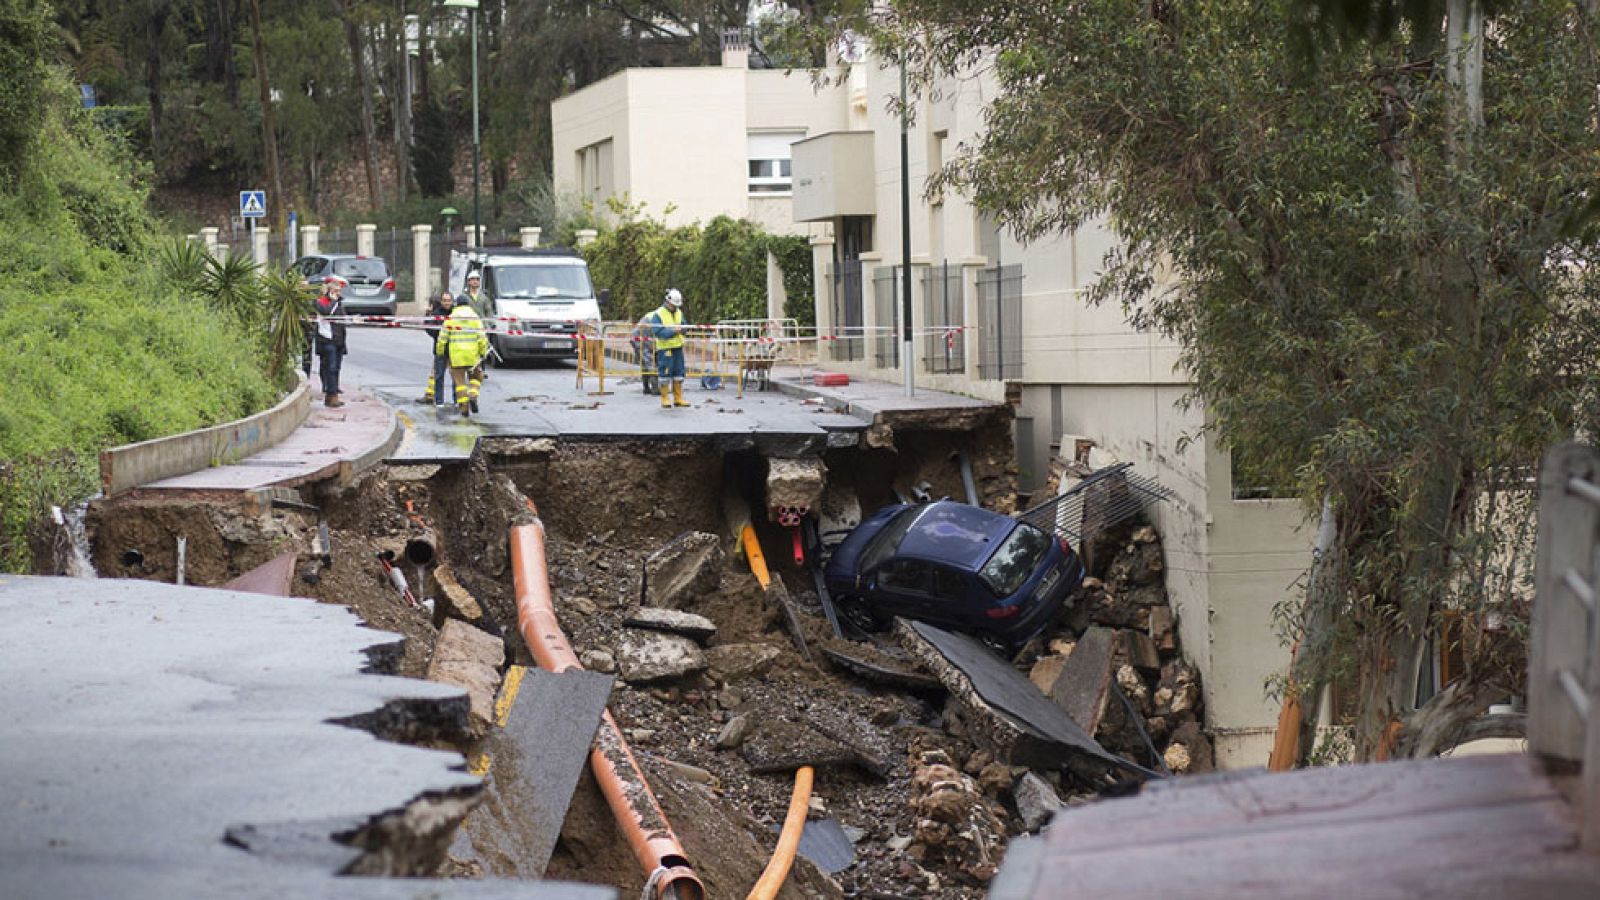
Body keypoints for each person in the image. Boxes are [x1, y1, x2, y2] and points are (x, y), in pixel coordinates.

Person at [435, 292, 489, 416]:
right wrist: (483, 353)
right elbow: (482, 337)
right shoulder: (475, 318)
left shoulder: (451, 318)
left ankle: (464, 409)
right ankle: (473, 395)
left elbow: (442, 338)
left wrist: (440, 352)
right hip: (472, 356)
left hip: (457, 356)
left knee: (460, 384)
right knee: (476, 378)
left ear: (456, 304)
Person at [645, 287, 691, 409]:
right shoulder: (658, 314)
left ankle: (678, 398)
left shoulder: (679, 313)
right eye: (673, 305)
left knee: (679, 373)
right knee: (665, 373)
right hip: (665, 349)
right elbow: (658, 331)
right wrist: (673, 331)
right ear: (668, 302)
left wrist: (683, 329)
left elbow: (686, 326)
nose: (675, 307)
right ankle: (665, 398)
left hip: (677, 347)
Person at [313, 276, 349, 407]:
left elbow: (340, 320)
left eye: (339, 291)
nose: (338, 294)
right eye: (335, 291)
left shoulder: (339, 303)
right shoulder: (320, 302)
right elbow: (327, 314)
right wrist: (334, 302)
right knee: (330, 367)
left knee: (336, 367)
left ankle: (332, 393)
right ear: (328, 291)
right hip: (327, 339)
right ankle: (331, 394)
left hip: (338, 339)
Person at [419, 290, 456, 405]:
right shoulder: (436, 314)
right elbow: (429, 328)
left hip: (455, 350)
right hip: (440, 350)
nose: (447, 303)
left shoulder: (456, 313)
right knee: (439, 376)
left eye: (449, 300)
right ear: (441, 301)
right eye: (444, 300)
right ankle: (439, 401)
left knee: (456, 377)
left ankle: (457, 401)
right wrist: (440, 334)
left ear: (452, 301)